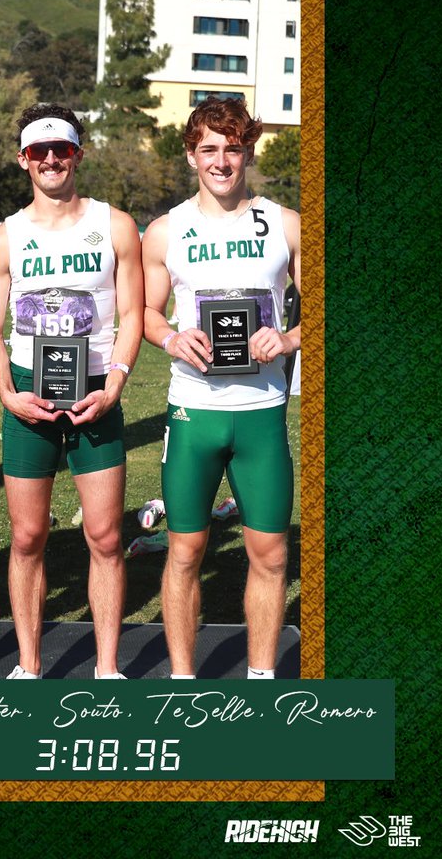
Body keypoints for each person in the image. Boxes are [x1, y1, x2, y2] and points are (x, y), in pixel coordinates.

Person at [0, 104, 144, 679]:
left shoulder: (115, 224)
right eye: (39, 151)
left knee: (104, 536)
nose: (51, 160)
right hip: (29, 395)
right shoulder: (5, 238)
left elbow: (130, 313)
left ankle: (106, 668)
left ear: (79, 153)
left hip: (98, 391)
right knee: (27, 537)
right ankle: (28, 666)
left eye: (63, 149)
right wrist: (7, 395)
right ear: (23, 160)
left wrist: (116, 385)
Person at [141, 96, 300, 680]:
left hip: (260, 413)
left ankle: (259, 683)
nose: (222, 160)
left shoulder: (284, 225)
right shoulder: (165, 230)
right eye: (209, 148)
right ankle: (183, 684)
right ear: (191, 155)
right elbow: (149, 313)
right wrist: (171, 340)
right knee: (184, 552)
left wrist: (286, 340)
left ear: (248, 151)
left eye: (233, 148)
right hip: (194, 413)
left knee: (271, 553)